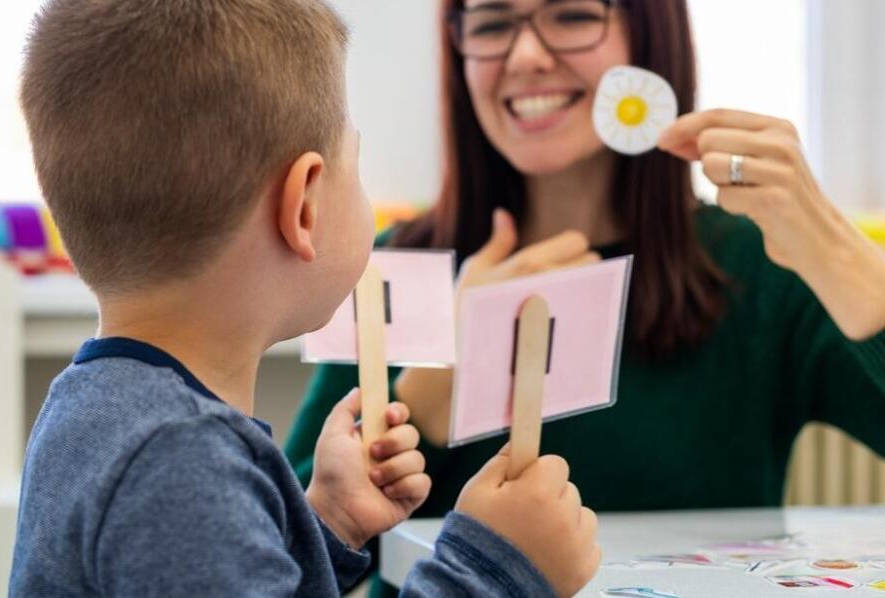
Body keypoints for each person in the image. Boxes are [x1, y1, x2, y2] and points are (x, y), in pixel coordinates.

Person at [285, 0, 885, 595]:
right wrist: (434, 384)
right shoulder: (387, 268)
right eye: (492, 24)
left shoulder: (756, 267)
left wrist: (836, 249)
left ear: (650, 36)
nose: (526, 56)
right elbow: (286, 559)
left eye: (571, 17)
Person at [9, 0, 600, 595]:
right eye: (356, 164)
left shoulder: (91, 410)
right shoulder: (182, 462)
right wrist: (493, 569)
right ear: (305, 207)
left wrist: (326, 526)